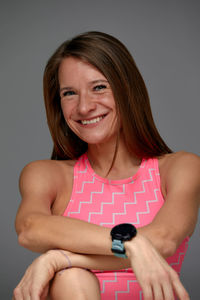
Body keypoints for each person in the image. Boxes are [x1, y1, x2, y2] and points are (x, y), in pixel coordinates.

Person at [13, 31, 200, 300]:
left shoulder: (179, 168)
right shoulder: (47, 175)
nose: (84, 106)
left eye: (99, 87)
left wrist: (59, 259)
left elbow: (163, 239)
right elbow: (30, 228)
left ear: (126, 89)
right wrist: (132, 243)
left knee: (69, 270)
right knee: (72, 279)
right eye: (69, 93)